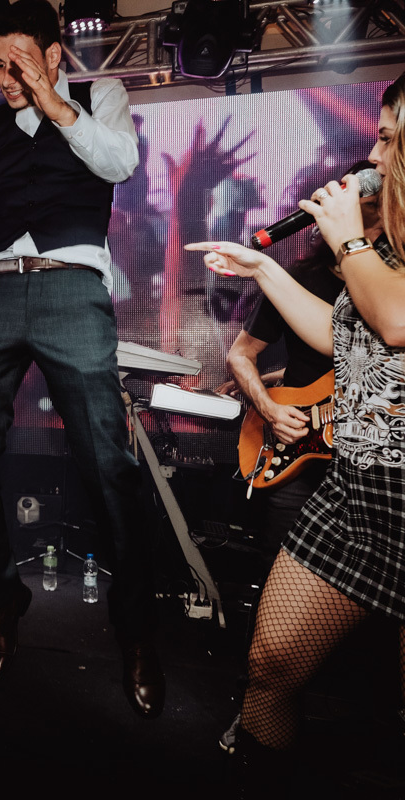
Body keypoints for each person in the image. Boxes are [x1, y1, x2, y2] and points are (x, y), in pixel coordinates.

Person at [0, 0, 163, 717]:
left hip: (70, 289)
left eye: (21, 62)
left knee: (106, 462)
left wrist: (55, 102)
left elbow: (118, 161)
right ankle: (2, 599)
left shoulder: (100, 97)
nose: (7, 77)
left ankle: (137, 627)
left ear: (56, 55)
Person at [185, 73, 405, 783]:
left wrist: (347, 244)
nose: (375, 152)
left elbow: (397, 322)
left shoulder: (371, 257)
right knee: (271, 663)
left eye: (393, 138)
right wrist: (262, 267)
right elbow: (343, 331)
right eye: (380, 133)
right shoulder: (386, 253)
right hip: (356, 496)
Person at [215, 161, 381, 753]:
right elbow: (246, 354)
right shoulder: (307, 275)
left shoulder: (385, 275)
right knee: (275, 614)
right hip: (301, 450)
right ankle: (261, 706)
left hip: (374, 470)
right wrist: (269, 405)